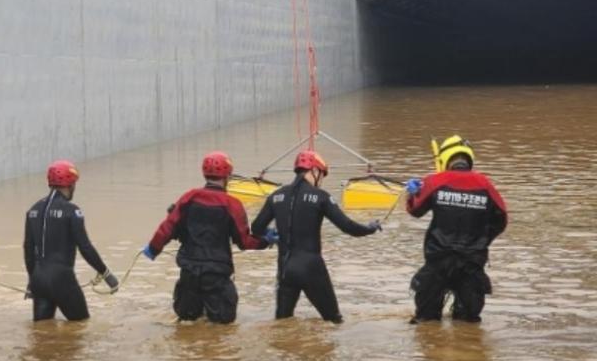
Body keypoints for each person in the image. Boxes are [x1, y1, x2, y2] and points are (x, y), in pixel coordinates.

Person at [251, 150, 381, 323]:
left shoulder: (276, 195)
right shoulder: (321, 197)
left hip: (285, 269)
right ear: (314, 171)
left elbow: (256, 227)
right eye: (322, 175)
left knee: (282, 324)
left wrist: (270, 235)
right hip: (311, 268)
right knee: (335, 322)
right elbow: (348, 227)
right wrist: (370, 228)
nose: (321, 180)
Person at [141, 151, 270, 324]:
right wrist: (266, 241)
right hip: (216, 276)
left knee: (187, 323)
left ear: (204, 173)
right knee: (223, 328)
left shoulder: (189, 197)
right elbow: (245, 242)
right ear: (228, 176)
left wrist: (153, 249)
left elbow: (168, 227)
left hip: (189, 274)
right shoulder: (232, 204)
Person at [405, 135, 508, 323]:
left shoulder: (435, 181)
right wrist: (482, 239)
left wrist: (412, 194)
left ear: (445, 159)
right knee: (468, 322)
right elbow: (501, 218)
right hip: (472, 261)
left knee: (425, 321)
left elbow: (415, 210)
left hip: (439, 259)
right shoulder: (485, 184)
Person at [24, 160, 118, 321]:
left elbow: (28, 250)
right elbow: (85, 247)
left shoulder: (33, 210)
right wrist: (105, 273)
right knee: (80, 328)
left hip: (38, 279)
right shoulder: (72, 211)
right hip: (62, 279)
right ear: (70, 184)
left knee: (42, 337)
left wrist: (32, 280)